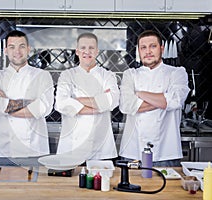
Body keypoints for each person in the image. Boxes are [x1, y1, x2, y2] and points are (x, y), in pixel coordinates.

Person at [119, 30, 190, 167]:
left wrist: (139, 93)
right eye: (143, 47)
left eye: (153, 46)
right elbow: (126, 106)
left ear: (161, 49)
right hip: (132, 152)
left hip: (166, 153)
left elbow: (176, 101)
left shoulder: (177, 73)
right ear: (138, 51)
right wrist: (163, 100)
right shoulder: (130, 75)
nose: (148, 51)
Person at [0, 30, 54, 166]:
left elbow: (43, 109)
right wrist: (30, 103)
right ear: (6, 50)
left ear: (28, 49)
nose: (17, 51)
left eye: (22, 46)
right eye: (12, 47)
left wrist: (6, 105)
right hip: (4, 150)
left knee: (36, 188)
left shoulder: (42, 76)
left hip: (35, 151)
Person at [55, 32, 119, 160]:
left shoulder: (107, 75)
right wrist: (98, 105)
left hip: (101, 147)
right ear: (77, 51)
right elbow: (61, 103)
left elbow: (112, 101)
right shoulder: (67, 75)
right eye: (83, 48)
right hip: (71, 148)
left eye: (91, 48)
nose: (87, 51)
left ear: (97, 51)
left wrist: (76, 101)